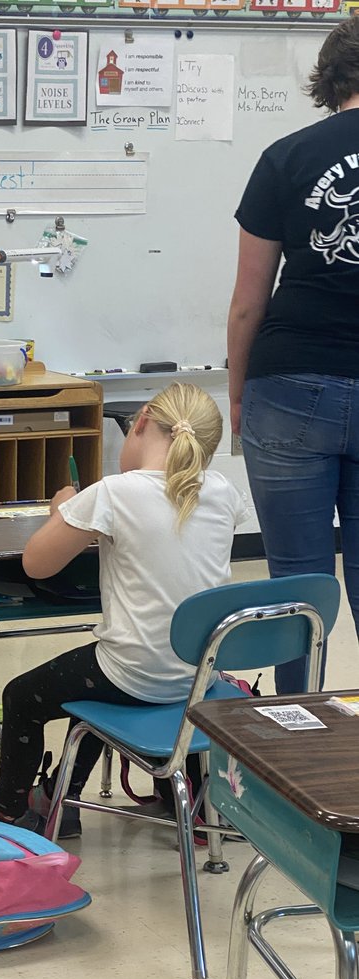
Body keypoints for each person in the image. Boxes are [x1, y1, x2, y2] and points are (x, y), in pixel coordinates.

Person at [0, 383, 248, 836]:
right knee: (86, 685)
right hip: (198, 677)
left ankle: (6, 808)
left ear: (143, 420)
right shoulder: (225, 491)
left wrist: (63, 511)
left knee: (21, 696)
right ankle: (59, 799)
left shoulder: (114, 491)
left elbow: (37, 564)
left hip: (135, 676)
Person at [228, 14, 359, 693]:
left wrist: (239, 393)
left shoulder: (286, 156)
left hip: (290, 385)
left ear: (331, 77)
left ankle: (297, 745)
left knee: (297, 584)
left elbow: (250, 300)